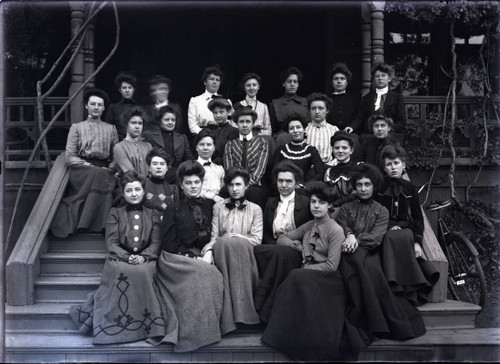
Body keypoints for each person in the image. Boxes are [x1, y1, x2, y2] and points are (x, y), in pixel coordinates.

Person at [335, 163, 426, 357]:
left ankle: (373, 316)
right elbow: (340, 226)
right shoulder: (345, 208)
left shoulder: (381, 211)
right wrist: (349, 234)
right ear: (354, 186)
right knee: (351, 263)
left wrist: (355, 238)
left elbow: (376, 237)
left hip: (371, 251)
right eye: (359, 185)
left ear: (374, 186)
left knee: (370, 267)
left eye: (367, 184)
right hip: (346, 253)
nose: (363, 189)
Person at [69, 171, 165, 344]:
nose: (134, 194)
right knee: (122, 270)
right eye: (129, 190)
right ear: (123, 192)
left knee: (143, 272)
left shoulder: (152, 213)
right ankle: (116, 325)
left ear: (143, 191)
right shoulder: (115, 213)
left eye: (137, 189)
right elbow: (111, 242)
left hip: (146, 258)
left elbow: (156, 242)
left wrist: (144, 256)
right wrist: (127, 257)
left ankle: (145, 325)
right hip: (119, 258)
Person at [152, 160, 236, 352]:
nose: (192, 186)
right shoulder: (173, 208)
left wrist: (208, 251)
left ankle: (210, 328)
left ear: (202, 183)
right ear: (181, 185)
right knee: (207, 273)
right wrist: (191, 256)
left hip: (202, 255)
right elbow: (168, 242)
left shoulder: (210, 206)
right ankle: (194, 333)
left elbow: (216, 233)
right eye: (188, 183)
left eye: (196, 182)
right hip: (174, 258)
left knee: (211, 274)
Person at [260, 181, 346, 360]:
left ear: (330, 205)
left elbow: (332, 265)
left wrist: (307, 267)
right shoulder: (309, 226)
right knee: (294, 276)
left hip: (329, 279)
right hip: (308, 275)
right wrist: (298, 247)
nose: (316, 206)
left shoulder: (336, 230)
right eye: (313, 202)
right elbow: (282, 239)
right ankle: (282, 335)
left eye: (321, 203)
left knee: (295, 276)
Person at [375, 145, 440, 305]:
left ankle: (410, 292)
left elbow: (418, 217)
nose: (393, 167)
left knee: (404, 237)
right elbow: (374, 214)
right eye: (389, 164)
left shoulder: (410, 187)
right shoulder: (378, 187)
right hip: (384, 229)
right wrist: (389, 225)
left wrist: (418, 242)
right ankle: (393, 290)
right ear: (384, 168)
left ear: (403, 165)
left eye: (396, 163)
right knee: (392, 238)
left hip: (405, 229)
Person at [50, 88, 119, 238]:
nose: (96, 107)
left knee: (102, 174)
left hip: (104, 168)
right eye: (92, 104)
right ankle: (86, 223)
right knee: (98, 173)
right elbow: (70, 156)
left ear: (104, 108)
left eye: (99, 105)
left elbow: (116, 155)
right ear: (86, 106)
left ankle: (99, 225)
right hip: (82, 169)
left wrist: (111, 167)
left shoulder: (111, 129)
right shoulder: (77, 128)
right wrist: (87, 165)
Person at [253, 162, 314, 321]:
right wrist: (277, 243)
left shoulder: (306, 202)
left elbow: (311, 228)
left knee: (283, 254)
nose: (284, 185)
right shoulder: (270, 202)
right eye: (281, 181)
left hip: (295, 247)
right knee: (263, 251)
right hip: (273, 246)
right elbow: (266, 232)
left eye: (288, 181)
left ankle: (264, 306)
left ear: (296, 183)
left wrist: (294, 243)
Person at [202, 167, 263, 325]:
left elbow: (257, 240)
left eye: (238, 184)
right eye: (230, 185)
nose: (234, 189)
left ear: (246, 186)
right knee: (224, 243)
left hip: (245, 252)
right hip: (223, 251)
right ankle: (228, 318)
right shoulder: (218, 207)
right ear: (226, 186)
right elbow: (215, 236)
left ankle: (244, 315)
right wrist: (208, 249)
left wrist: (238, 237)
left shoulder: (255, 209)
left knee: (233, 242)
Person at [223, 106, 269, 208]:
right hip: (235, 185)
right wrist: (238, 184)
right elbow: (229, 169)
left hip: (255, 185)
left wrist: (246, 185)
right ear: (236, 124)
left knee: (255, 194)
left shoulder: (262, 142)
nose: (244, 125)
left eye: (248, 122)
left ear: (253, 124)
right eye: (241, 122)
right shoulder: (230, 144)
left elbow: (260, 169)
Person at [356, 62, 407, 136]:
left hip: (390, 135)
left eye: (383, 75)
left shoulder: (397, 97)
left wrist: (387, 130)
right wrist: (351, 128)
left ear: (389, 78)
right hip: (370, 136)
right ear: (373, 79)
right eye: (377, 76)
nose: (380, 78)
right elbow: (360, 119)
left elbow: (401, 122)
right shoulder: (367, 98)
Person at [188, 65, 232, 136]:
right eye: (212, 79)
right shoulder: (195, 101)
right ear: (205, 82)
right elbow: (192, 125)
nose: (214, 82)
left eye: (217, 80)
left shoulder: (227, 101)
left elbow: (231, 123)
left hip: (223, 137)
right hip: (202, 137)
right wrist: (206, 136)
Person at [269, 67, 309, 146]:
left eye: (295, 82)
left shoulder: (305, 102)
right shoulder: (275, 103)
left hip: (303, 141)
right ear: (283, 83)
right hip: (282, 142)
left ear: (298, 84)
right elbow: (273, 129)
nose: (292, 84)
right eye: (289, 81)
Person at [327, 63, 361, 145]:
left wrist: (352, 127)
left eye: (342, 79)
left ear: (347, 82)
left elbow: (359, 118)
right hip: (329, 135)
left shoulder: (354, 100)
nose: (339, 81)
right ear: (332, 82)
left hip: (349, 135)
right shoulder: (326, 100)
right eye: (336, 79)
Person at [113, 106, 153, 177]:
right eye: (133, 123)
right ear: (126, 125)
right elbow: (131, 172)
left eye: (140, 123)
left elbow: (152, 169)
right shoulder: (119, 147)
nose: (137, 126)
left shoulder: (148, 146)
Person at [305, 92, 339, 166]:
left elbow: (339, 152)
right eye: (313, 108)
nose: (317, 112)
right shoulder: (305, 130)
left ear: (327, 110)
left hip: (329, 167)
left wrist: (332, 164)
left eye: (321, 108)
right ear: (309, 110)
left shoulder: (334, 130)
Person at [324, 131, 357, 208]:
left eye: (344, 148)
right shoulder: (329, 172)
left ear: (351, 150)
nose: (340, 151)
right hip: (334, 210)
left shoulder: (358, 168)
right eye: (337, 148)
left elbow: (357, 194)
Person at [144, 147, 179, 214]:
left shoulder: (173, 189)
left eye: (162, 164)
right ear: (149, 167)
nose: (158, 167)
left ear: (167, 168)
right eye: (154, 164)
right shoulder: (142, 186)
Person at [105, 71, 139, 140]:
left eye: (130, 87)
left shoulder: (139, 108)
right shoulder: (113, 107)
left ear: (134, 90)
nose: (127, 90)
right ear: (120, 90)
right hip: (117, 143)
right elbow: (108, 129)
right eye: (124, 88)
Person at [205, 96, 239, 165]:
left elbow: (231, 155)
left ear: (228, 112)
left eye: (221, 112)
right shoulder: (208, 130)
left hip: (224, 166)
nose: (218, 115)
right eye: (215, 112)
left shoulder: (234, 131)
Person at [194, 129, 225, 203]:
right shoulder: (192, 167)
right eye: (202, 144)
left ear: (214, 147)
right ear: (196, 147)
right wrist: (212, 197)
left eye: (209, 145)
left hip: (218, 204)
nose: (205, 148)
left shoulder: (219, 169)